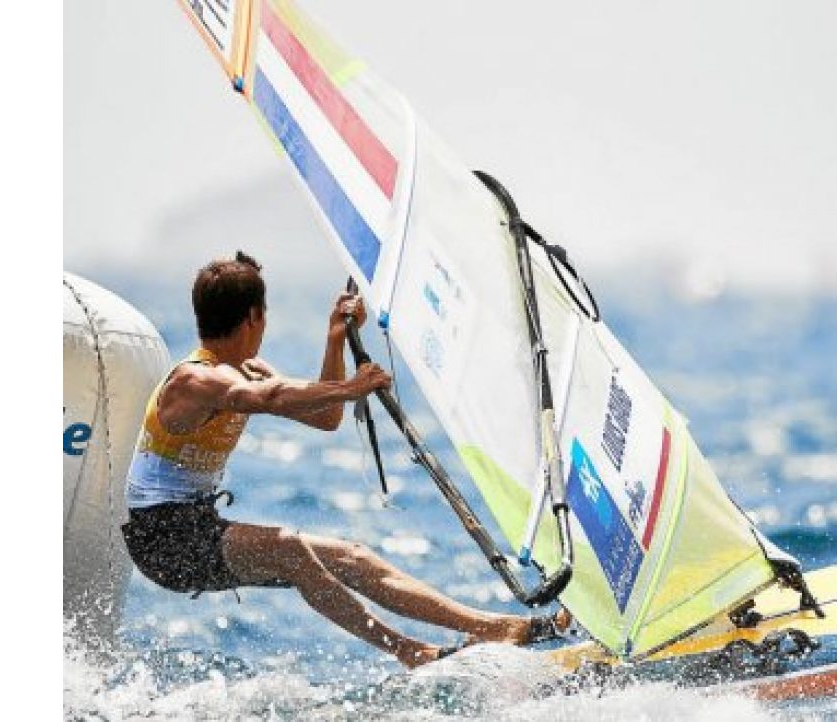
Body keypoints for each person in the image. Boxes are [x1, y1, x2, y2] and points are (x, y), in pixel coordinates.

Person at [121, 251, 568, 668]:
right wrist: (353, 386)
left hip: (199, 527)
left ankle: (498, 627)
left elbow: (325, 417)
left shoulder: (247, 370)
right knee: (292, 550)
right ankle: (410, 651)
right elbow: (266, 398)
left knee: (352, 557)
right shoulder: (193, 380)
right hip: (163, 540)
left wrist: (334, 340)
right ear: (255, 317)